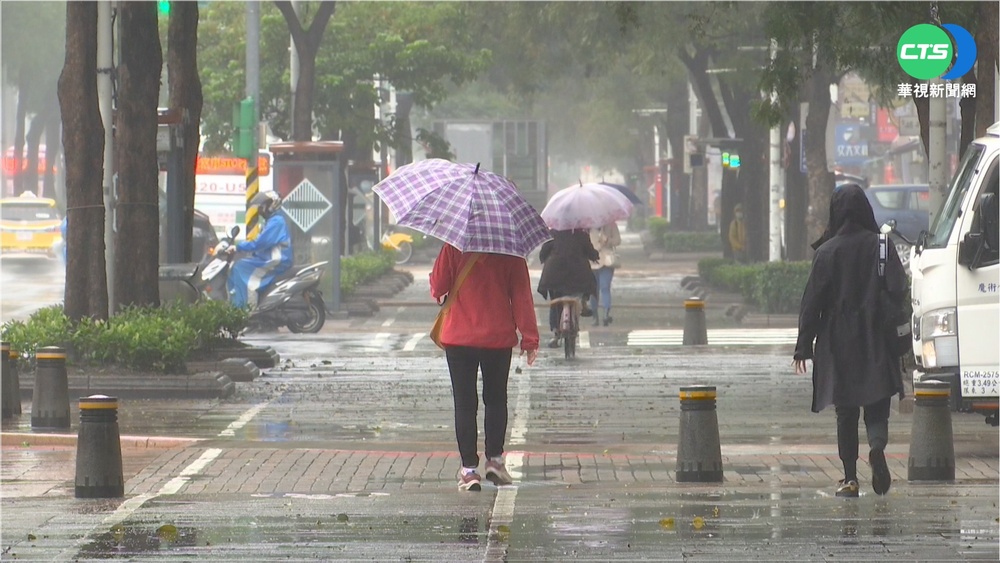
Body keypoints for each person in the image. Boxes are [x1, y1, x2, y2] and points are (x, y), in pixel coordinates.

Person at [792, 183, 906, 498]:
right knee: (877, 402)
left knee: (846, 411)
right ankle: (877, 448)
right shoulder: (882, 247)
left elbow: (812, 302)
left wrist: (803, 346)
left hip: (837, 340)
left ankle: (850, 478)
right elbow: (899, 291)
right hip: (876, 337)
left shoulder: (827, 252)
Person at [430, 244, 540, 491]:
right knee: (496, 399)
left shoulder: (454, 245)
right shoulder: (510, 248)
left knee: (465, 403)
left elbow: (438, 287)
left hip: (459, 337)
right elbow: (522, 295)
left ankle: (469, 470)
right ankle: (495, 460)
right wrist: (530, 338)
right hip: (497, 337)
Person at [225, 191, 293, 308]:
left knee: (239, 268)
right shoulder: (271, 221)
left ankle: (245, 308)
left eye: (262, 206)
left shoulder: (277, 222)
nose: (260, 210)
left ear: (272, 205)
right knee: (239, 265)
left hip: (276, 260)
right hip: (267, 258)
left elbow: (260, 243)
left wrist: (238, 247)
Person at [537, 229, 598, 348]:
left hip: (554, 274)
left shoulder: (553, 233)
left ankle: (555, 332)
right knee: (588, 284)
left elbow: (543, 253)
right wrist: (595, 255)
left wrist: (545, 258)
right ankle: (583, 304)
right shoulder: (582, 234)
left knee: (555, 301)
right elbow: (591, 253)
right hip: (578, 275)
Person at [589, 221, 621, 327]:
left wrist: (608, 240)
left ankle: (606, 314)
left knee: (605, 287)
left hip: (607, 261)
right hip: (591, 262)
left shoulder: (610, 224)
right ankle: (594, 316)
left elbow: (618, 240)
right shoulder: (587, 226)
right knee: (593, 290)